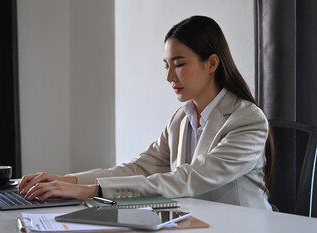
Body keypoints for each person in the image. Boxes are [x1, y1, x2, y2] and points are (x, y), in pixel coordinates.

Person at [18, 15, 274, 210]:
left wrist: (91, 190)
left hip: (241, 230)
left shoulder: (247, 120)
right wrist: (68, 181)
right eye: (166, 66)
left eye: (180, 64)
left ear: (212, 63)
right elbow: (139, 169)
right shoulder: (182, 118)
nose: (170, 77)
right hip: (195, 225)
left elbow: (190, 178)